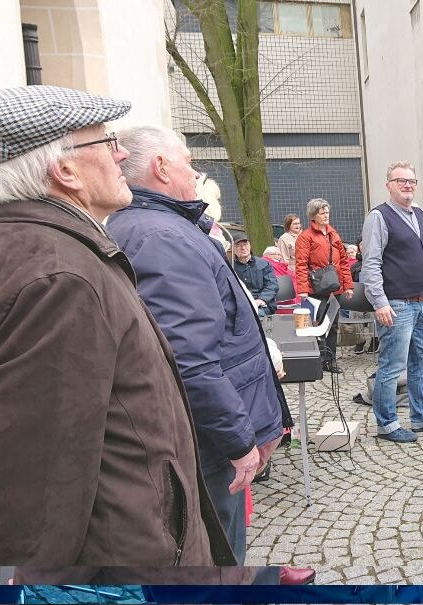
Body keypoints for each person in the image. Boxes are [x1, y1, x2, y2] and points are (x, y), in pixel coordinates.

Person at [0, 85, 235, 571]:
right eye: (107, 142)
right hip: (123, 564)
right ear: (65, 171)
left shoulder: (22, 248)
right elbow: (29, 492)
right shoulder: (60, 278)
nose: (122, 153)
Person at [102, 125, 290, 573]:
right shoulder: (163, 238)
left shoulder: (158, 228)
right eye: (188, 162)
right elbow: (189, 360)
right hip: (207, 444)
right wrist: (238, 440)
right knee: (218, 556)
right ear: (161, 167)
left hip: (202, 435)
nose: (196, 172)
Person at [360, 162, 423, 443]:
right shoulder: (379, 217)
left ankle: (421, 416)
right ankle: (387, 424)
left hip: (421, 302)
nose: (407, 185)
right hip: (396, 304)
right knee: (392, 366)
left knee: (421, 361)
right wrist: (379, 302)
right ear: (389, 185)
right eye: (401, 181)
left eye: (411, 181)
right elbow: (371, 263)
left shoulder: (419, 214)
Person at [295, 198, 354, 372]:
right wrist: (303, 289)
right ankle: (318, 360)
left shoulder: (333, 234)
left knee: (333, 324)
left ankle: (330, 360)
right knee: (318, 324)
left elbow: (344, 261)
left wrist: (348, 285)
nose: (326, 215)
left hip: (334, 286)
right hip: (316, 287)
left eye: (327, 212)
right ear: (313, 215)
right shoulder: (305, 237)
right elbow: (301, 264)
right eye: (322, 213)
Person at [232, 233, 279, 316]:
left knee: (252, 315)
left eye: (245, 244)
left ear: (250, 246)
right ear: (233, 249)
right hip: (240, 305)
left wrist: (262, 299)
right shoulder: (230, 267)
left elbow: (272, 285)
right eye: (238, 246)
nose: (243, 248)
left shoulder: (264, 264)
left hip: (263, 304)